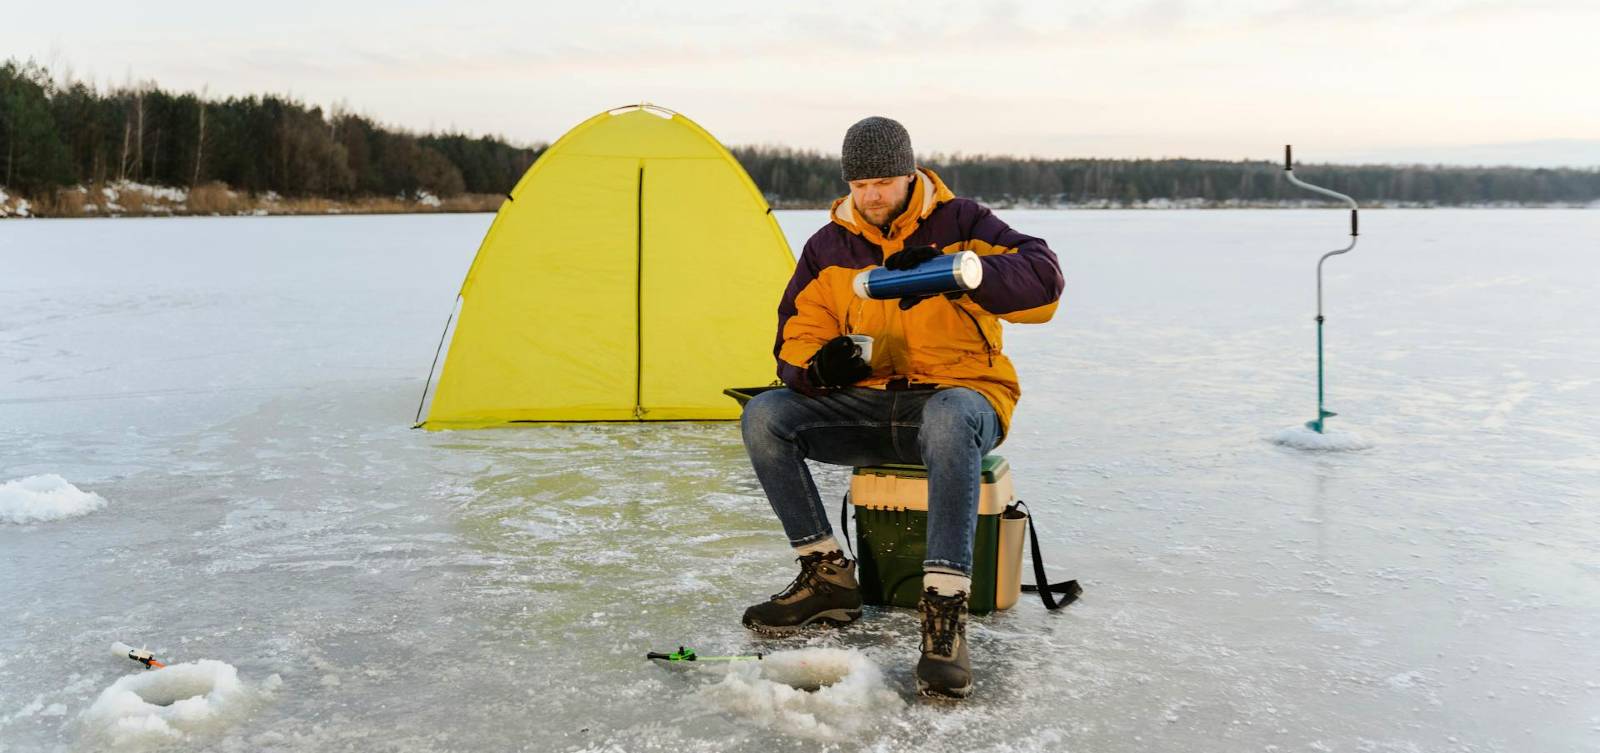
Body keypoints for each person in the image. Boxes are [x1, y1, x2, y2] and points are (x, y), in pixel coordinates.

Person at [739, 116, 1064, 698]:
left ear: (910, 173)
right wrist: (818, 370)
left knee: (947, 415)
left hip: (963, 395)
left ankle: (943, 612)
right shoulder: (828, 247)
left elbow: (1043, 283)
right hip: (872, 405)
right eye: (860, 184)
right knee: (766, 415)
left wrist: (964, 274)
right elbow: (796, 332)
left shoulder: (962, 222)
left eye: (884, 181)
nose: (872, 196)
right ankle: (828, 577)